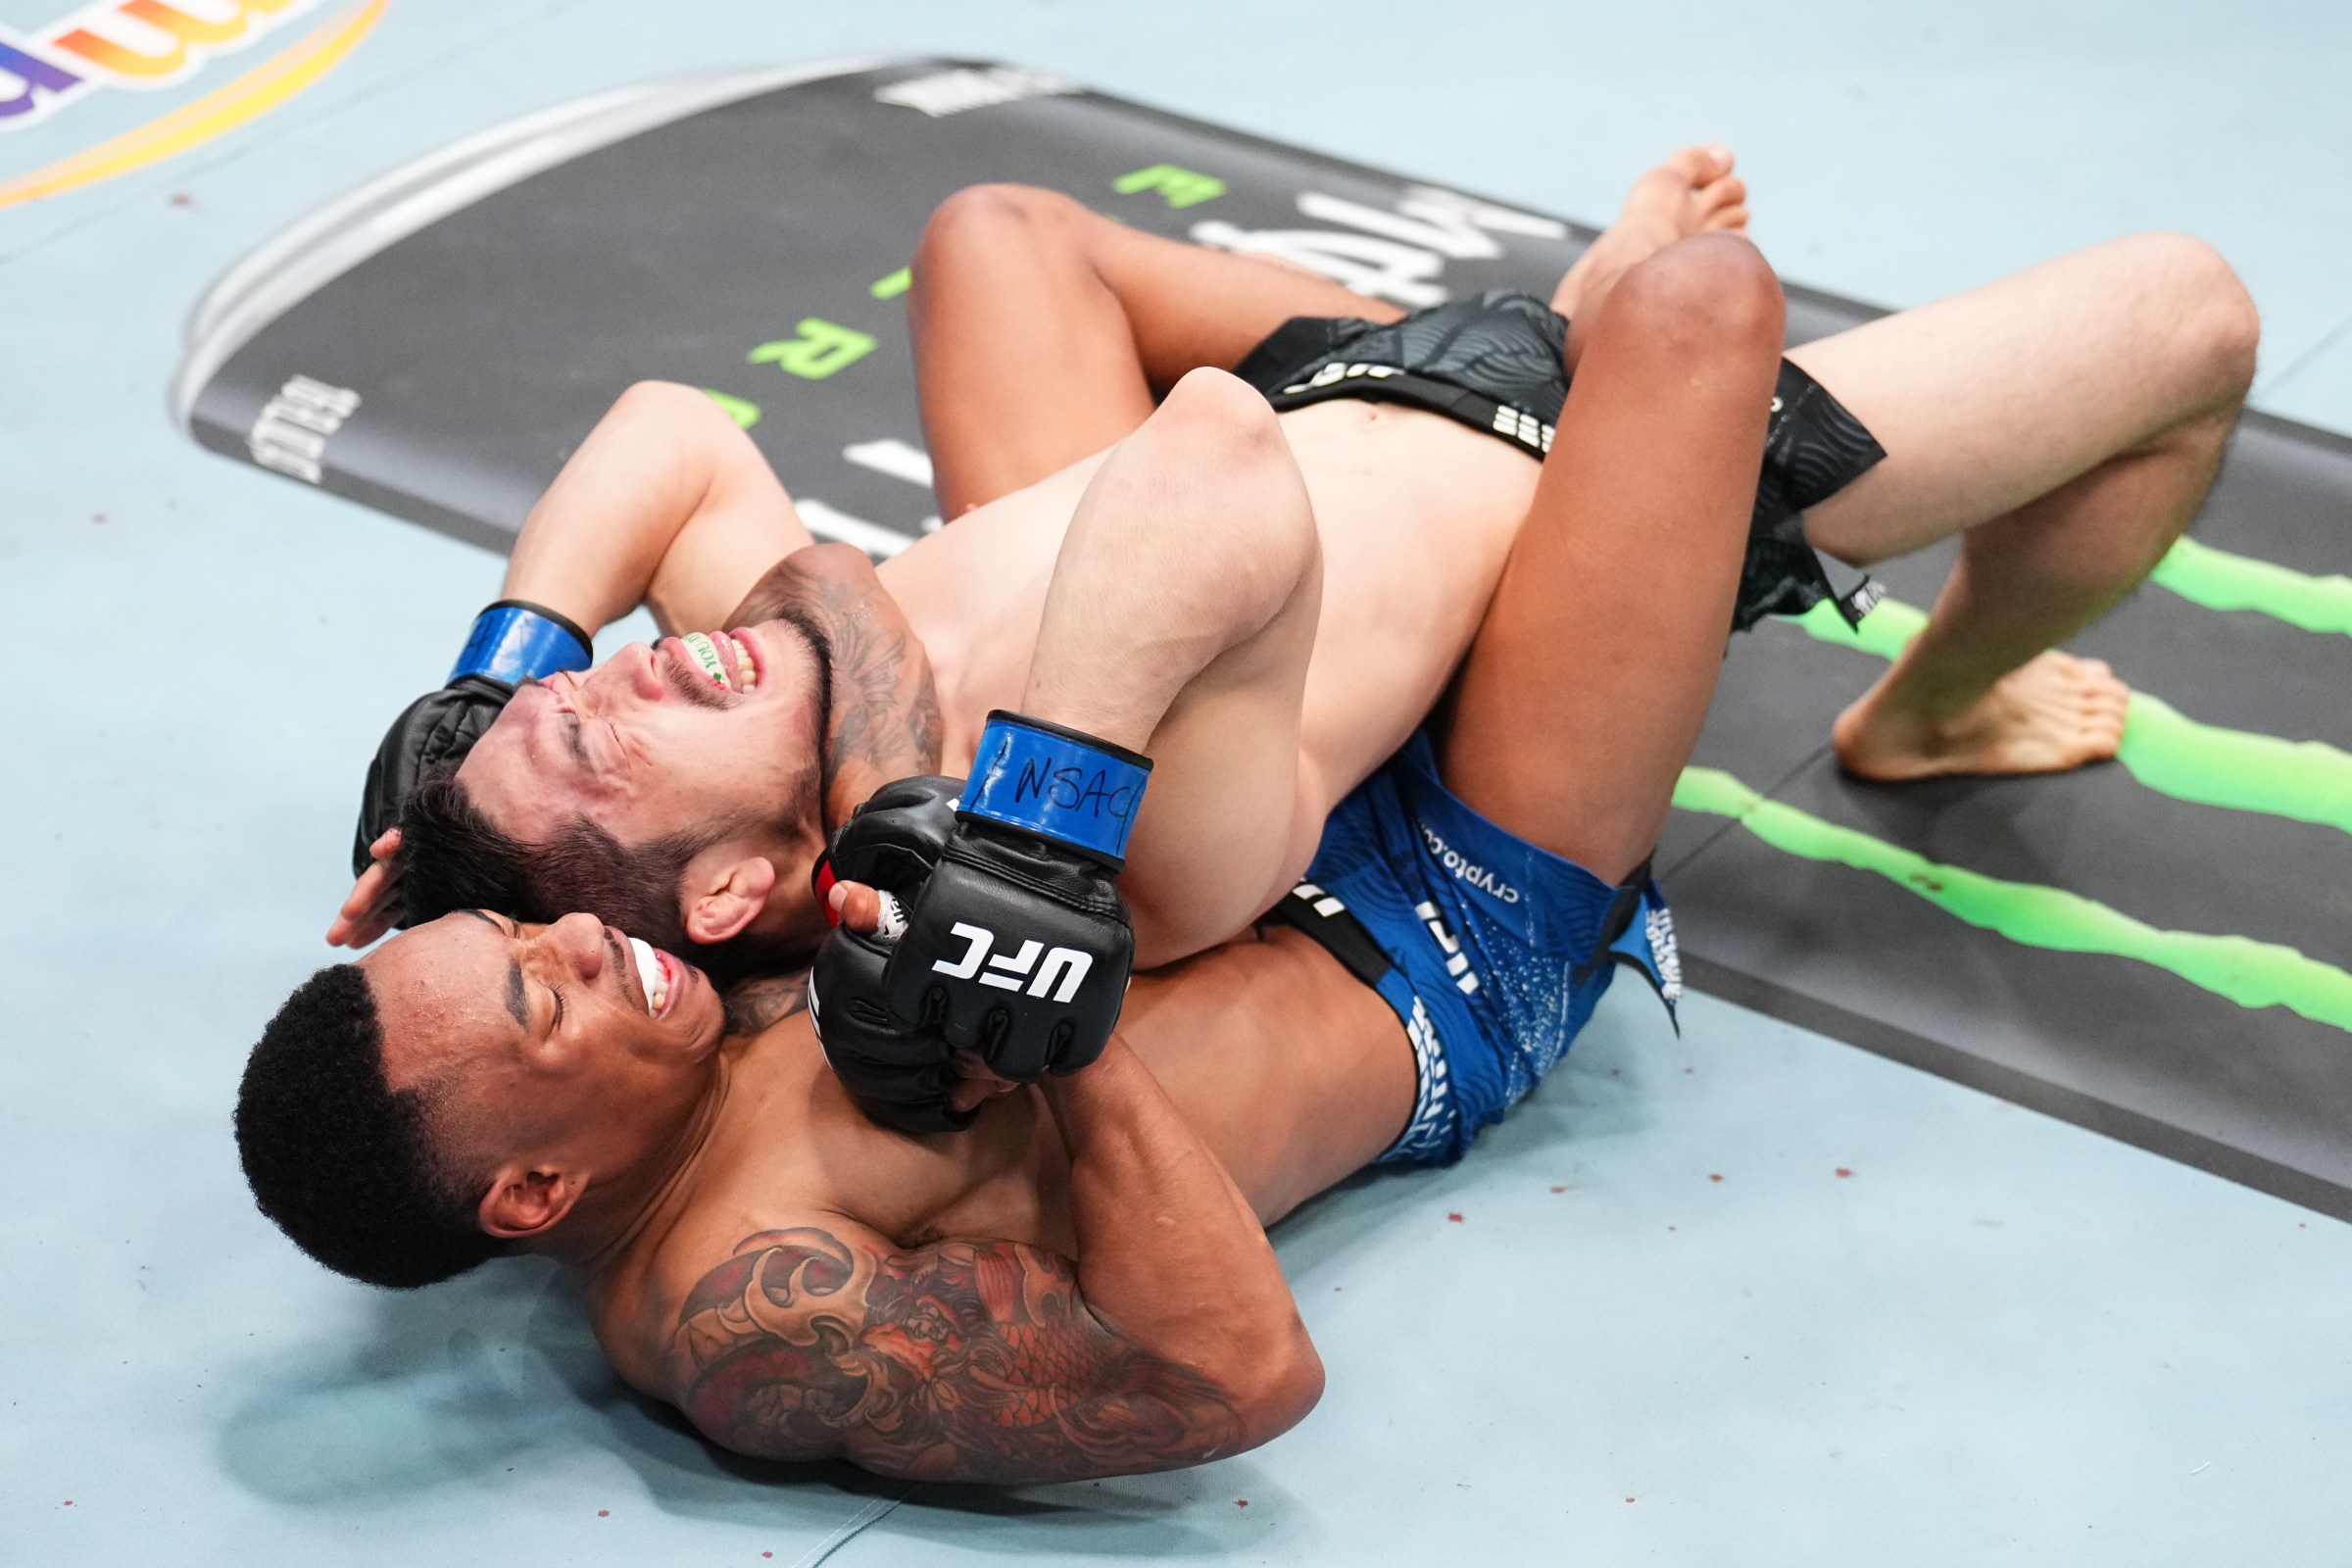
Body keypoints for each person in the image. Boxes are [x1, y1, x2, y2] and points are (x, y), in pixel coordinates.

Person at [327, 150, 2258, 998]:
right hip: (1559, 500)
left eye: (567, 693)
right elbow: (1212, 448)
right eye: (585, 746)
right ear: (748, 882)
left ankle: (1535, 314)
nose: (612, 680)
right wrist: (919, 737)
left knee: (996, 230)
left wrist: (478, 698)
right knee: (2189, 321)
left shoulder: (797, 680)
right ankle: (1934, 701)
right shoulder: (1098, 858)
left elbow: (666, 431)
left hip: (1360, 406)